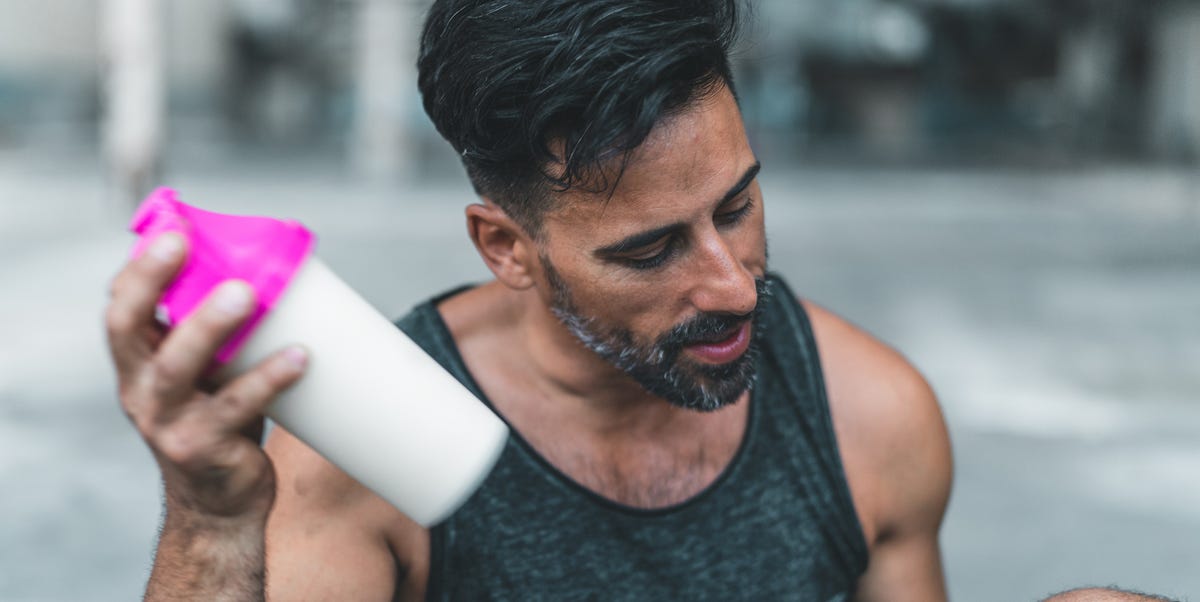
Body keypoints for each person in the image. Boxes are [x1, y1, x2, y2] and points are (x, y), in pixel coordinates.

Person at [105, 0, 955, 599]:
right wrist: (208, 523)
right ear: (506, 248)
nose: (733, 283)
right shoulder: (360, 461)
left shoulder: (869, 417)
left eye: (736, 208)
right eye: (650, 249)